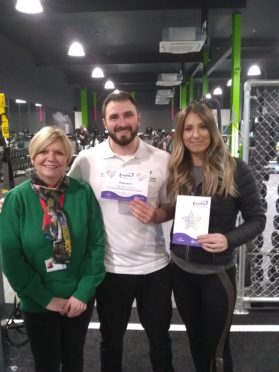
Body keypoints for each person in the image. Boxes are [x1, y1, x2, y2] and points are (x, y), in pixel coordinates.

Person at [68, 91, 174, 372]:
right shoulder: (87, 160)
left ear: (138, 118)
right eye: (114, 117)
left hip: (154, 268)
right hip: (110, 270)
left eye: (128, 115)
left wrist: (158, 214)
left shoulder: (162, 159)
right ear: (105, 122)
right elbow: (64, 199)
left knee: (161, 341)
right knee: (111, 341)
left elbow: (172, 206)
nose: (121, 122)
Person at [167, 101, 266, 372]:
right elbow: (173, 211)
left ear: (213, 130)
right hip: (181, 271)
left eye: (202, 127)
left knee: (218, 346)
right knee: (195, 340)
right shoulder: (177, 168)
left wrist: (228, 239)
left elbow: (257, 219)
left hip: (217, 275)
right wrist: (154, 213)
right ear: (180, 133)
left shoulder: (236, 169)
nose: (195, 134)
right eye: (188, 128)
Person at [0, 126, 105, 372]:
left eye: (58, 152)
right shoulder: (17, 200)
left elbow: (97, 246)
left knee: (74, 362)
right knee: (45, 365)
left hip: (77, 300)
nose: (51, 158)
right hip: (38, 301)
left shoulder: (83, 193)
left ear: (68, 158)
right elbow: (11, 259)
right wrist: (45, 299)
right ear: (33, 156)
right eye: (43, 152)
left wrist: (83, 292)